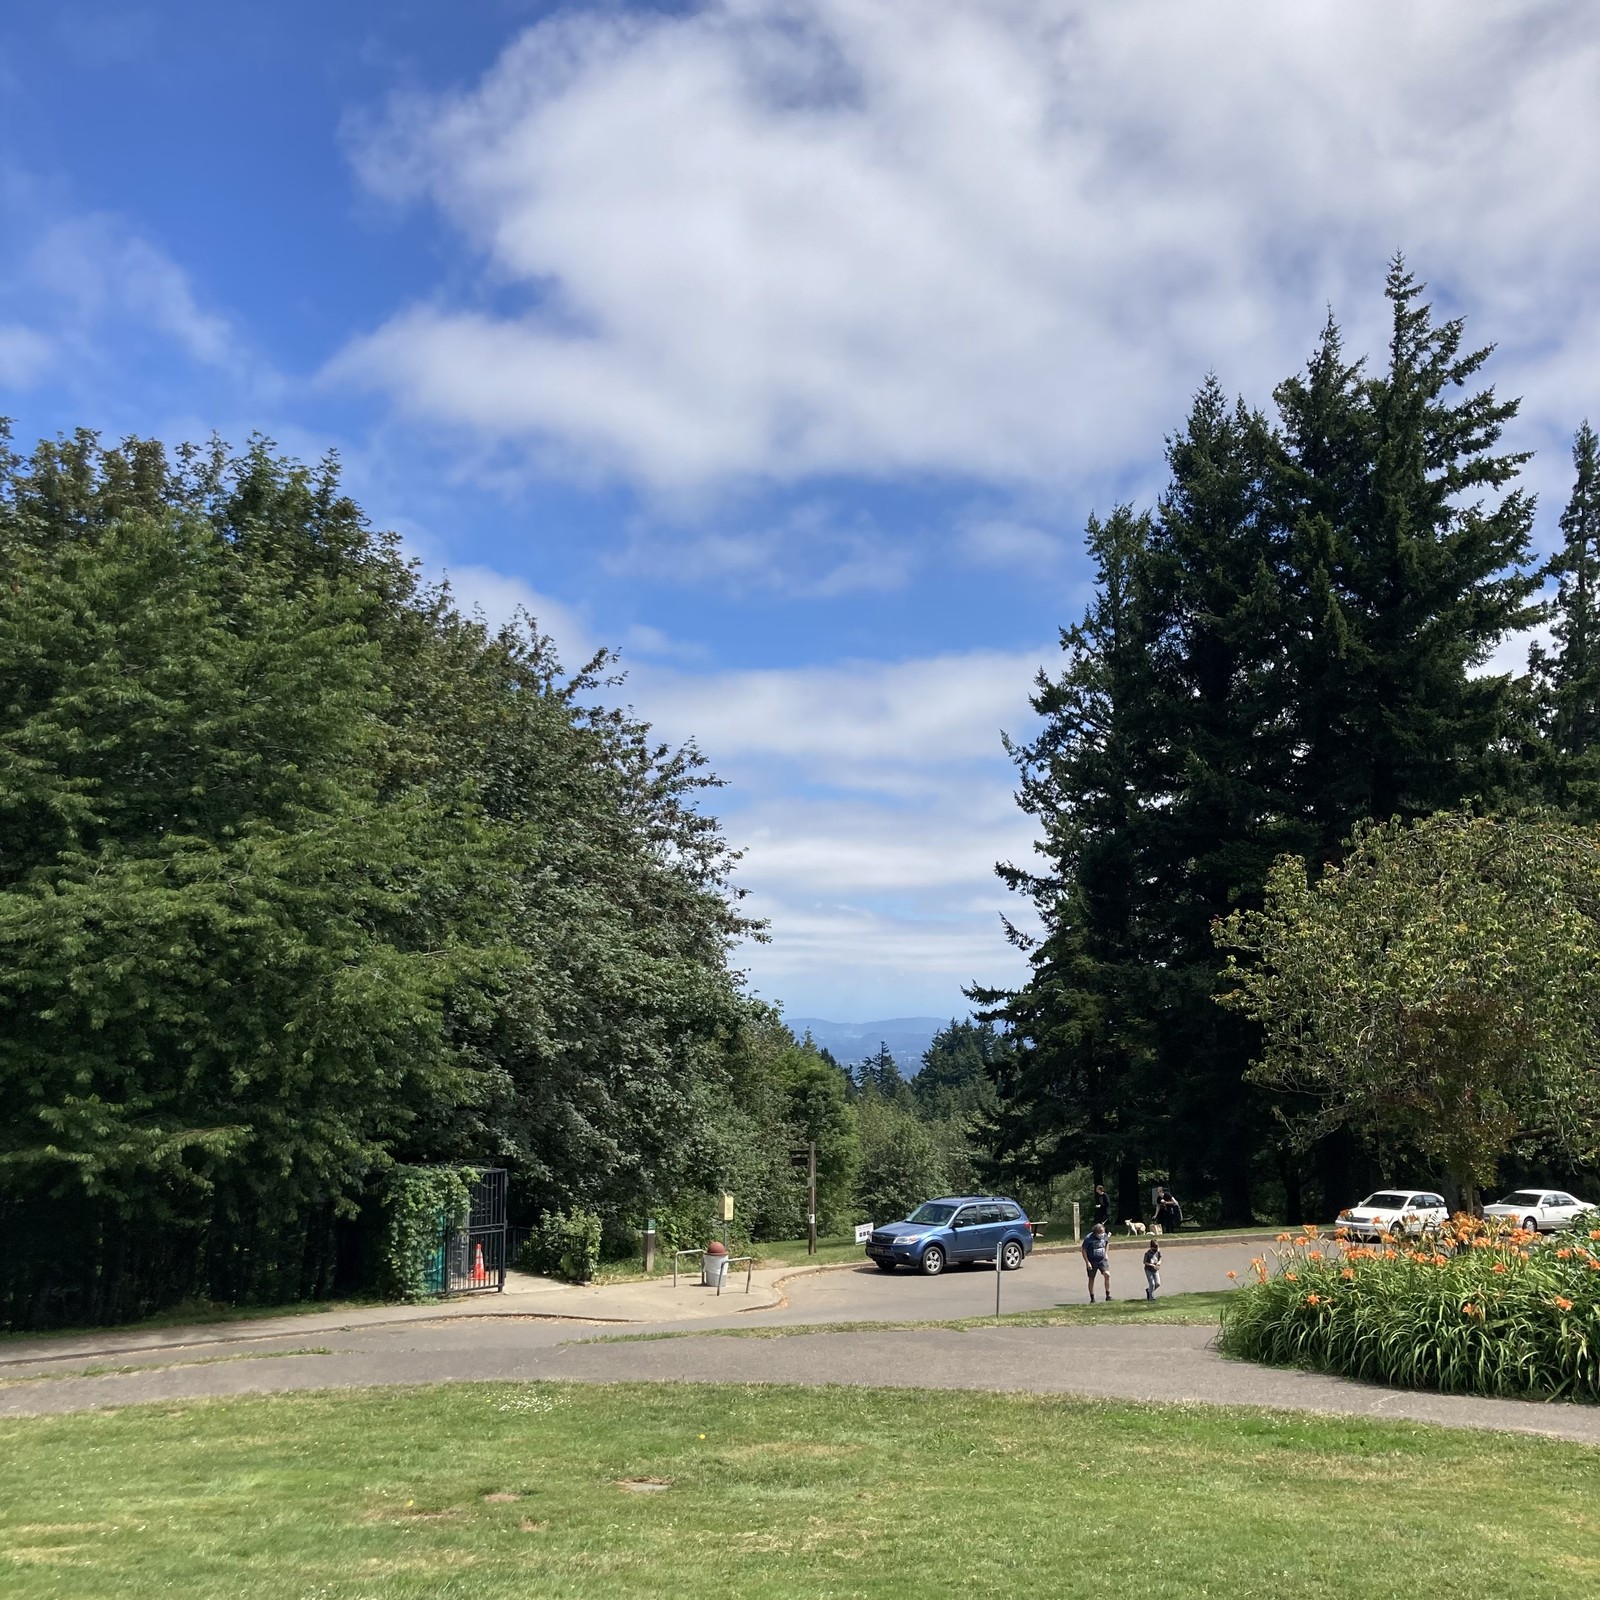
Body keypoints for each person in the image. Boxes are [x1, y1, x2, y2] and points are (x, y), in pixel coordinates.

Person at [1082, 1222, 1112, 1302]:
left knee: (1107, 1275)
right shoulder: (1088, 1238)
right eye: (1100, 1232)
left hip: (1102, 1260)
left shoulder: (1105, 1235)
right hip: (1092, 1261)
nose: (1102, 1234)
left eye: (1103, 1231)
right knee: (1091, 1278)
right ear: (1095, 1232)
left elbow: (1107, 1243)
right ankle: (1092, 1297)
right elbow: (1084, 1250)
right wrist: (1087, 1262)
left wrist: (1106, 1253)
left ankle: (1108, 1295)